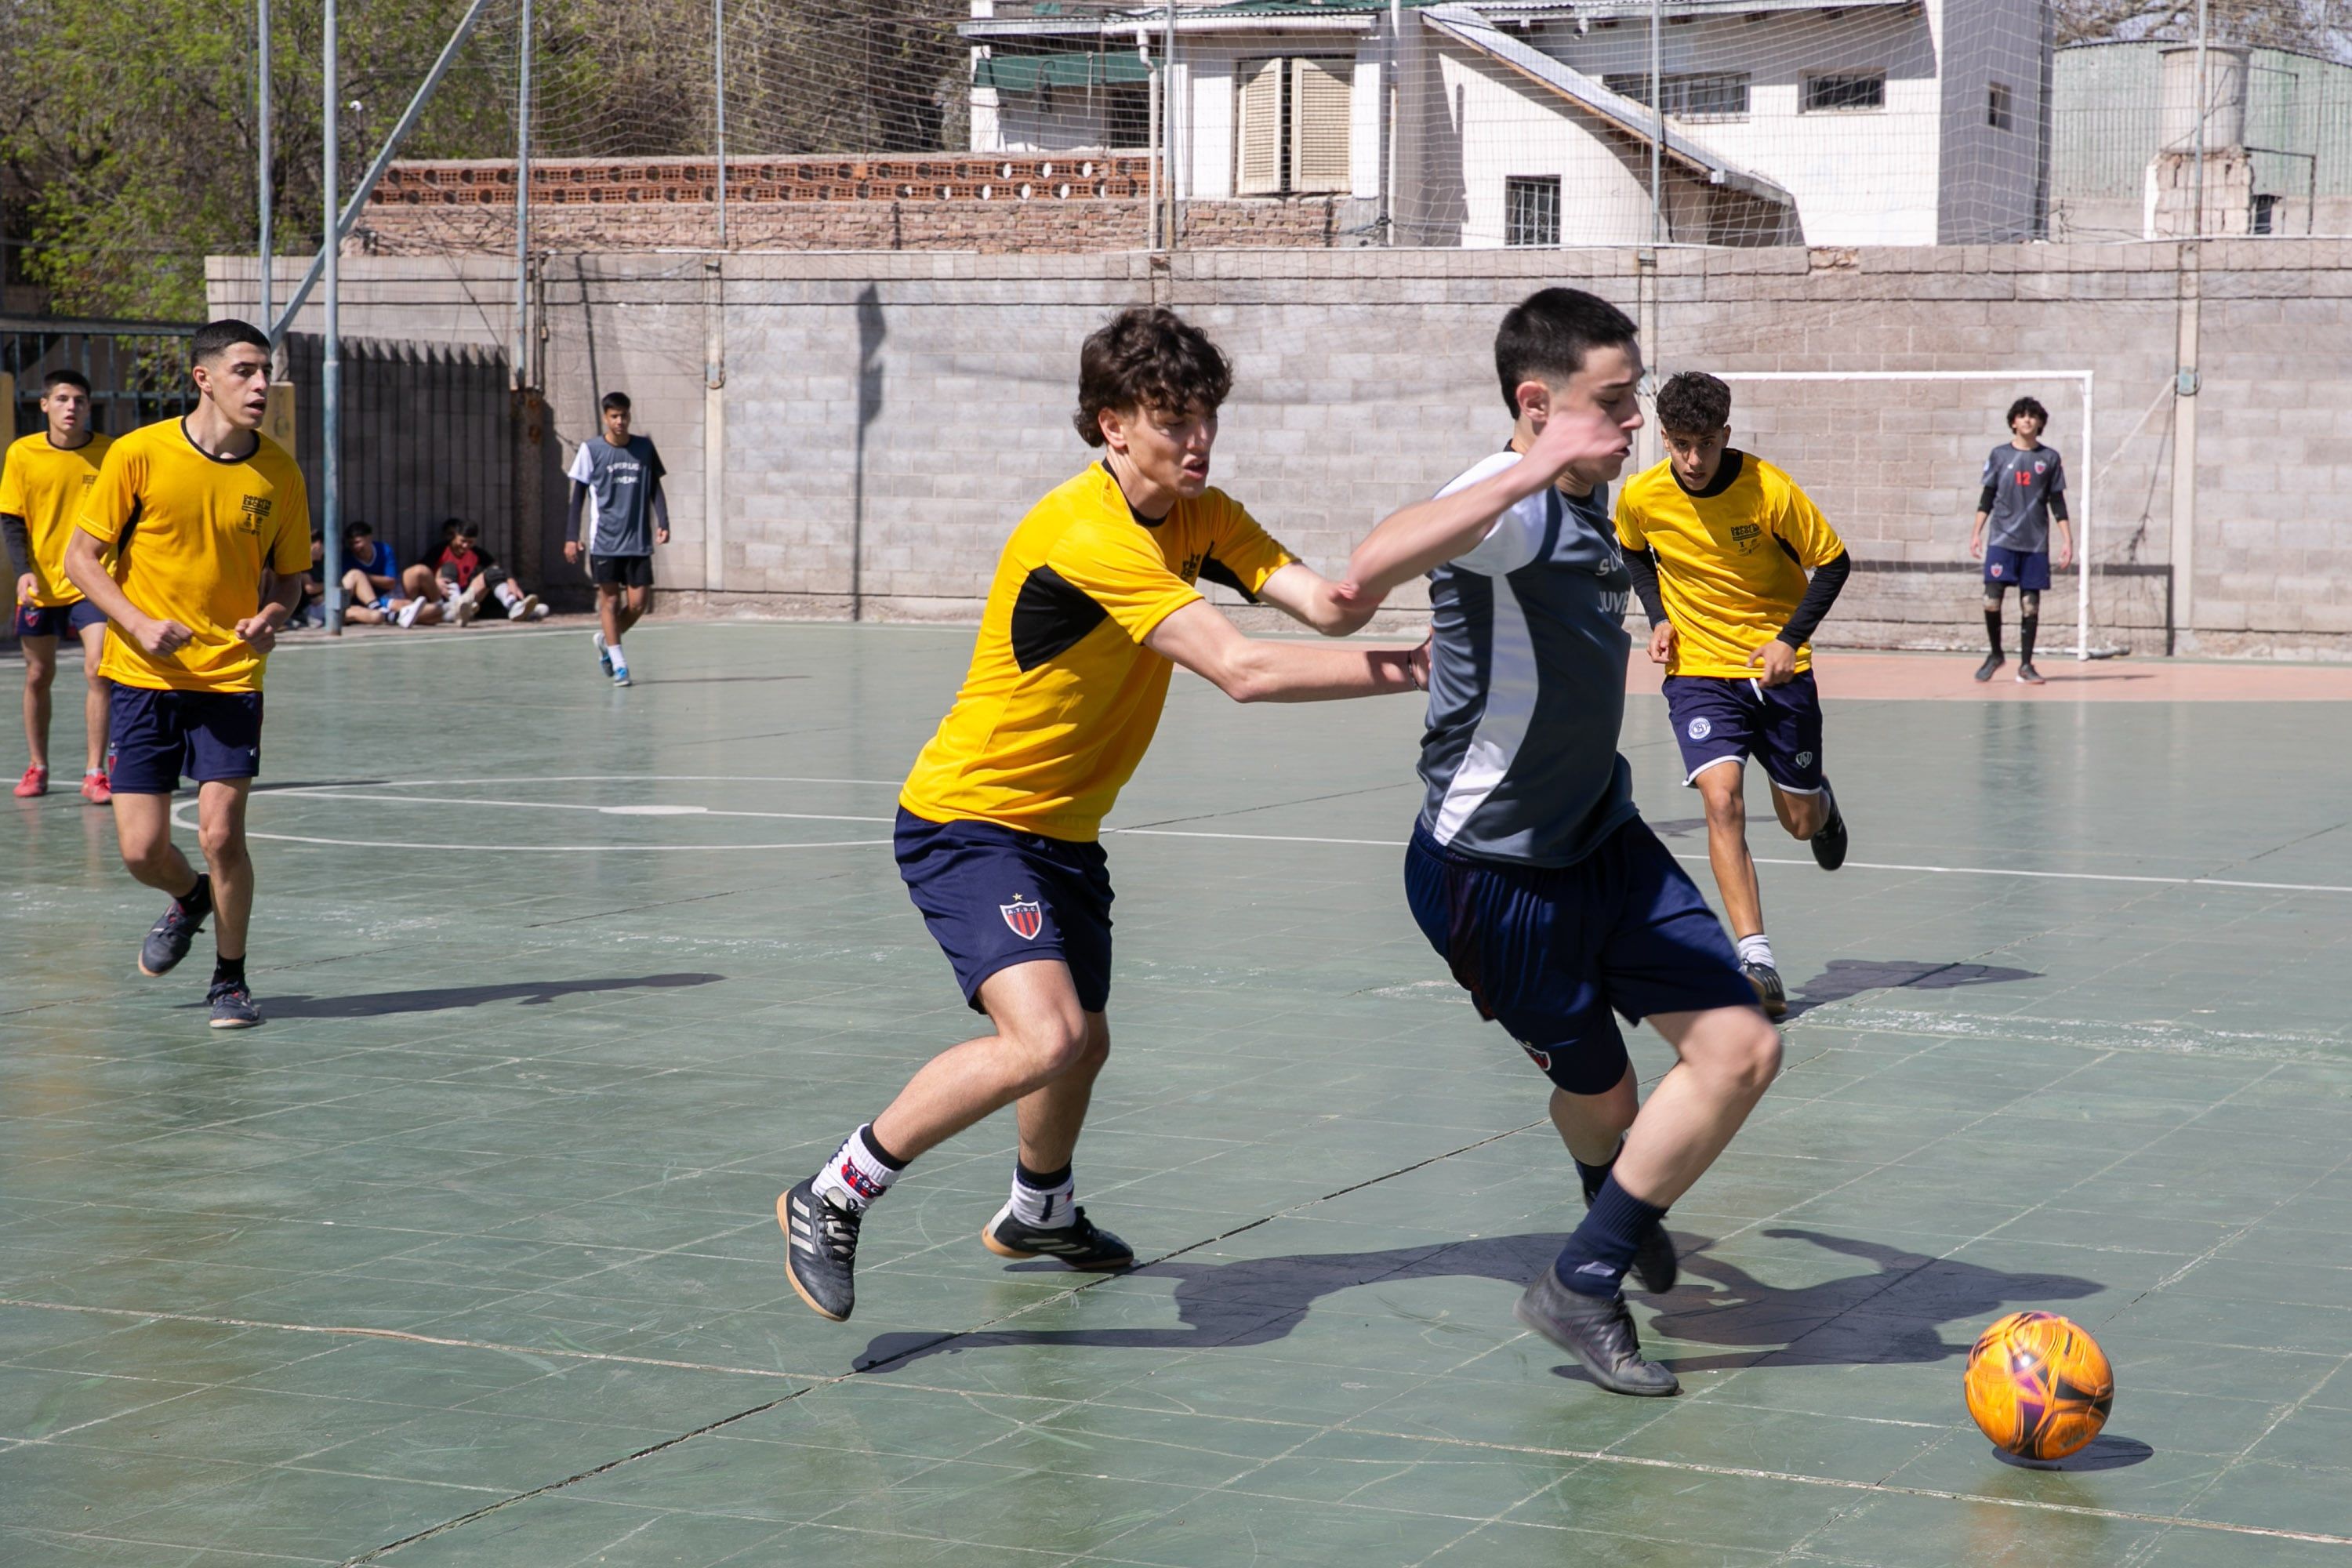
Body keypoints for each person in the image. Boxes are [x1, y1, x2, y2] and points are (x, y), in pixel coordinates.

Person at [779, 306, 1428, 1324]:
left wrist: (1458, 543)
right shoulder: (1087, 532)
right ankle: (834, 1193)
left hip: (1063, 834)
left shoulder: (1201, 513)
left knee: (1085, 1043)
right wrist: (1427, 669)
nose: (1198, 439)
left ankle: (1041, 1209)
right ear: (1112, 425)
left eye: (1207, 416)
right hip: (971, 819)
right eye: (1173, 421)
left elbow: (1333, 606)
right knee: (1045, 1038)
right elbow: (1245, 671)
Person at [1340, 290, 1784, 1398]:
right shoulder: (1516, 506)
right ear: (1536, 407)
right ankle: (1614, 1204)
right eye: (1612, 404)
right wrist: (1533, 469)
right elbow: (1372, 560)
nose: (1634, 424)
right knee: (1608, 1099)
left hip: (1605, 838)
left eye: (1635, 400)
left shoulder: (1593, 503)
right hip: (1493, 876)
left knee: (1742, 1049)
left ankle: (1585, 1272)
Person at [61, 319, 310, 1029]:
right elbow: (81, 558)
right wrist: (136, 624)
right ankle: (192, 898)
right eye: (245, 370)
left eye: (266, 371)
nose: (261, 384)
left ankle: (230, 979)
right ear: (203, 378)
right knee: (141, 850)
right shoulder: (140, 455)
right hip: (142, 676)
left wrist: (272, 616)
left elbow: (291, 579)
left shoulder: (279, 473)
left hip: (230, 679)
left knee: (223, 834)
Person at [1613, 371, 1852, 1017]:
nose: (1692, 461)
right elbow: (1635, 553)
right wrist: (1659, 615)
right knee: (1722, 801)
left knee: (1797, 821)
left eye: (1705, 445)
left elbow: (1833, 561)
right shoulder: (1640, 495)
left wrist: (1787, 639)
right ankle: (1758, 961)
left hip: (1777, 669)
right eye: (1680, 445)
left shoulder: (1768, 489)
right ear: (1664, 437)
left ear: (1725, 435)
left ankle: (1822, 806)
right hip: (1698, 671)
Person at [4, 368, 114, 802]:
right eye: (63, 399)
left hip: (93, 583)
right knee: (37, 674)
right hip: (42, 584)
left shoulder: (111, 453)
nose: (72, 407)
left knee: (98, 670)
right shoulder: (22, 453)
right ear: (45, 405)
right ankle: (38, 766)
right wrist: (23, 572)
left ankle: (96, 772)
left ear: (89, 407)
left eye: (80, 400)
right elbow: (11, 519)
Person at [564, 391, 667, 686]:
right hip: (605, 541)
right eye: (614, 416)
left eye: (624, 415)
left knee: (638, 604)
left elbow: (655, 487)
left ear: (630, 416)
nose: (620, 421)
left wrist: (664, 521)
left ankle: (606, 640)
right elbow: (578, 496)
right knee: (609, 601)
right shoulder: (591, 449)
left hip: (637, 539)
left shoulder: (644, 448)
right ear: (605, 418)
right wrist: (572, 536)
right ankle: (620, 664)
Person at [1969, 397, 2071, 684]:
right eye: (2022, 415)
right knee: (1991, 600)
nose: (2027, 420)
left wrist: (2067, 540)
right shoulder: (2000, 455)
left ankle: (2026, 665)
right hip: (2002, 540)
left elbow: (2058, 503)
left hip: (2035, 543)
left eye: (2033, 416)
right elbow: (1987, 497)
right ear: (2013, 421)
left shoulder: (2049, 458)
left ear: (2040, 422)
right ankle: (1995, 654)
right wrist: (1976, 532)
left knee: (2030, 604)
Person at [418, 517, 544, 622]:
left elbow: (497, 568)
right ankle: (455, 606)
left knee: (493, 573)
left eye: (470, 542)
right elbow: (422, 571)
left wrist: (511, 581)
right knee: (449, 567)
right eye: (462, 541)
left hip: (468, 598)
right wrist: (435, 582)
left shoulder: (476, 553)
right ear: (455, 536)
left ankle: (513, 606)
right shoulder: (440, 550)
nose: (466, 546)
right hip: (445, 595)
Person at [339, 521, 443, 626]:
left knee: (421, 571)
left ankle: (442, 605)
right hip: (372, 600)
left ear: (369, 538)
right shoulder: (347, 558)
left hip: (389, 591)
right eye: (351, 544)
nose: (354, 547)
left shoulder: (384, 550)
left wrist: (366, 576)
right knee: (431, 611)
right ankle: (399, 616)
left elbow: (391, 583)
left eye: (357, 542)